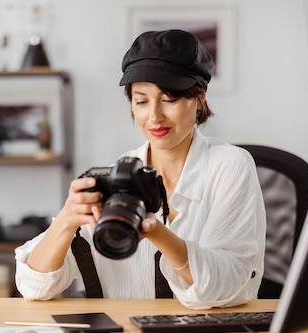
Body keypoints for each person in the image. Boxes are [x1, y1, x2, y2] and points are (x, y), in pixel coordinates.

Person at [15, 29, 266, 309]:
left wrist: (156, 232)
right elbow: (33, 285)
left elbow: (228, 283)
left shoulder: (229, 166)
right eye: (142, 101)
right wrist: (66, 221)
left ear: (200, 99)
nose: (155, 116)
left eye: (169, 99)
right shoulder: (116, 178)